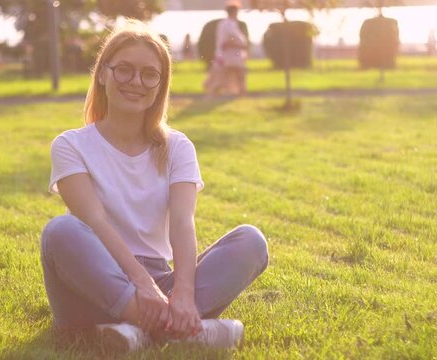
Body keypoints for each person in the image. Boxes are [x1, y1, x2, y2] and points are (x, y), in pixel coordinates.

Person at [40, 19, 268, 352]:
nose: (136, 81)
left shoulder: (178, 147)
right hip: (92, 283)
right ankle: (182, 330)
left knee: (251, 241)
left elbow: (182, 222)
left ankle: (138, 331)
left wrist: (184, 294)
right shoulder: (70, 145)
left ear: (161, 84)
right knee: (60, 231)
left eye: (149, 74)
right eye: (124, 70)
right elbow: (95, 221)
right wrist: (142, 284)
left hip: (162, 281)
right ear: (102, 74)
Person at [205, 0, 249, 96]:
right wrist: (241, 46)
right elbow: (228, 41)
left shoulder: (225, 24)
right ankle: (241, 94)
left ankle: (212, 94)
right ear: (234, 12)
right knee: (235, 76)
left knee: (223, 77)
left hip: (226, 55)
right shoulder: (229, 25)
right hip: (230, 56)